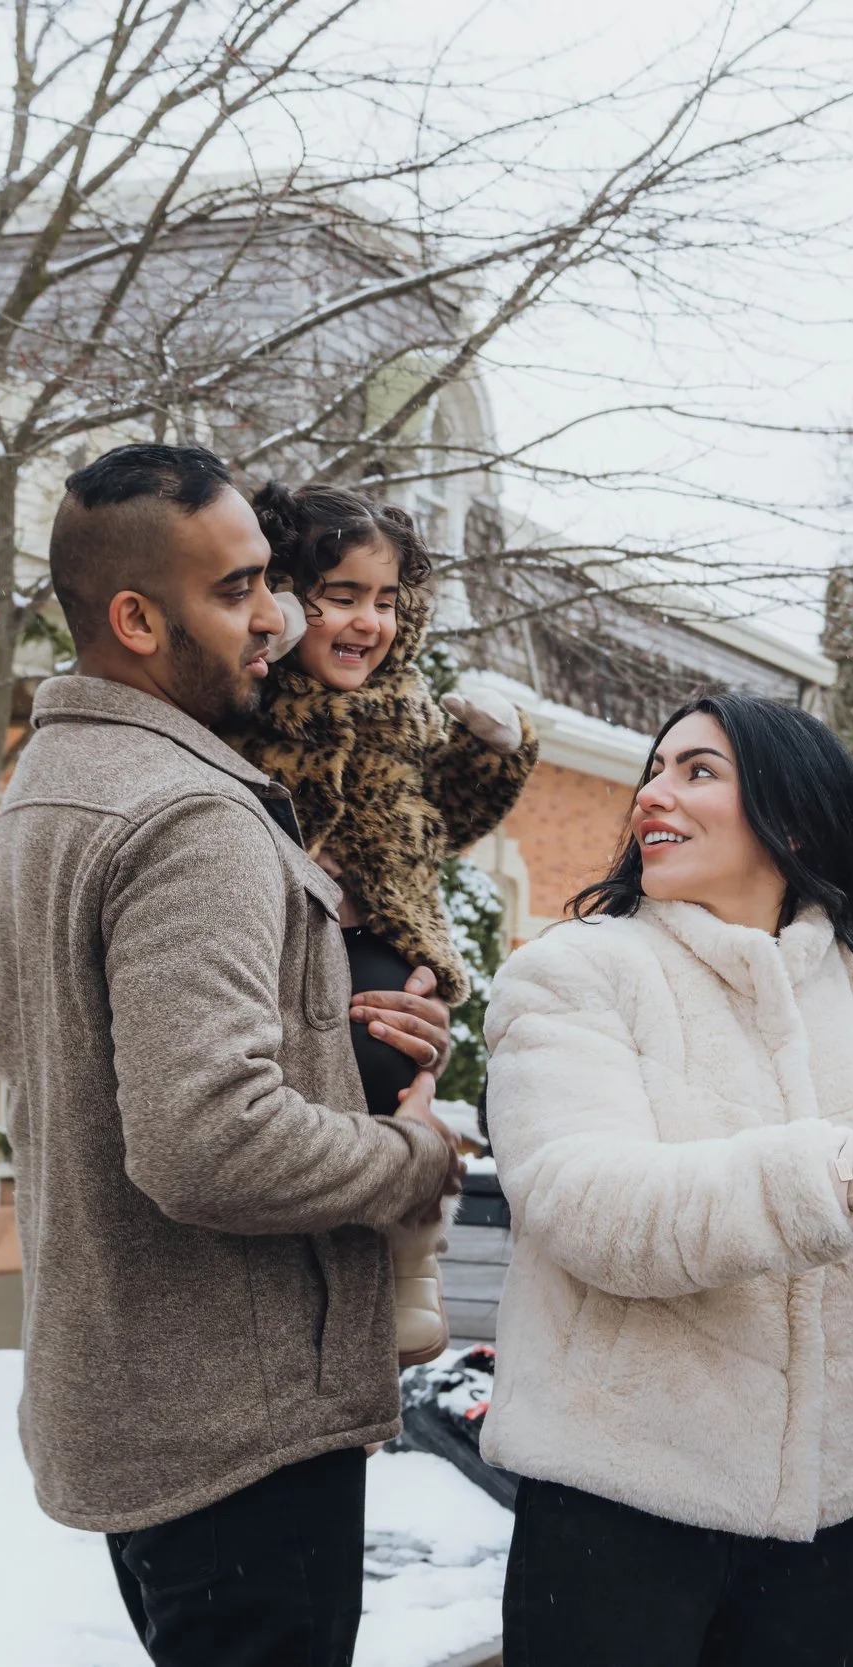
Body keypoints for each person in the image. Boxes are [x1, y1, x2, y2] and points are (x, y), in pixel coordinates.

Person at [0, 442, 465, 1667]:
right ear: (137, 616)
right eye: (239, 589)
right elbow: (208, 1139)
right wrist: (412, 1155)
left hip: (138, 1392)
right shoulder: (188, 812)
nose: (278, 617)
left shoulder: (52, 782)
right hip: (235, 1422)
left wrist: (342, 1027)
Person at [480, 691, 853, 1667]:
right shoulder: (575, 973)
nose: (651, 792)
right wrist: (837, 1171)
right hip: (614, 1511)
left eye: (697, 769)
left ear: (793, 818)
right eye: (655, 767)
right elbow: (587, 1206)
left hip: (823, 1531)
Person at [236, 480, 540, 1361]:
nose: (367, 621)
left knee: (392, 1069)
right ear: (283, 596)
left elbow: (445, 815)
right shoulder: (244, 707)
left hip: (387, 937)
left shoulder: (406, 707)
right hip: (280, 950)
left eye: (385, 599)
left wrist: (498, 748)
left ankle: (412, 1266)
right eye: (339, 597)